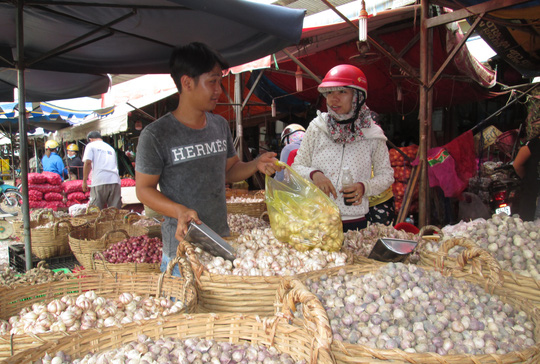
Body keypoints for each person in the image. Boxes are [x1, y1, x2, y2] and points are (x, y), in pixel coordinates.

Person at [135, 42, 280, 275]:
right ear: (187, 82)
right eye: (212, 81)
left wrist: (255, 164)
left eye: (219, 81)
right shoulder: (155, 135)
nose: (219, 90)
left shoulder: (219, 125)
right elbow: (144, 189)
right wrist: (178, 210)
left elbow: (228, 171)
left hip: (220, 244)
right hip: (181, 253)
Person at [292, 64, 394, 232]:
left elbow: (386, 175)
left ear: (358, 97)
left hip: (354, 223)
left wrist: (364, 187)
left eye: (342, 92)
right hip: (317, 218)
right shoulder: (317, 127)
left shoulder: (372, 134)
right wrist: (314, 174)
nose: (333, 99)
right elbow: (296, 167)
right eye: (330, 92)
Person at [82, 131, 122, 209]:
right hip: (115, 180)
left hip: (100, 180)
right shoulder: (110, 148)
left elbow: (87, 163)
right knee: (115, 212)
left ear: (90, 139)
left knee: (95, 210)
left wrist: (84, 181)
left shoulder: (90, 146)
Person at [513, 134, 540, 221]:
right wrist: (528, 178)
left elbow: (517, 165)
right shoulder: (533, 144)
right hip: (532, 193)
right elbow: (517, 165)